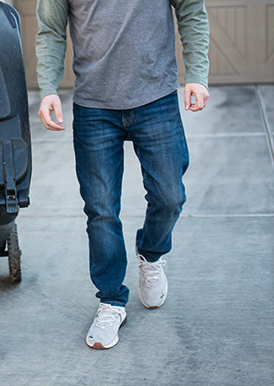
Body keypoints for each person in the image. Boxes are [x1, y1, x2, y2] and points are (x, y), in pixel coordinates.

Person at [36, 0, 210, 349]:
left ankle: (151, 253)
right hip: (94, 107)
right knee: (101, 211)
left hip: (156, 98)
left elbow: (192, 11)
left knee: (170, 197)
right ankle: (111, 300)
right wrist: (48, 89)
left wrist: (197, 75)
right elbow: (51, 30)